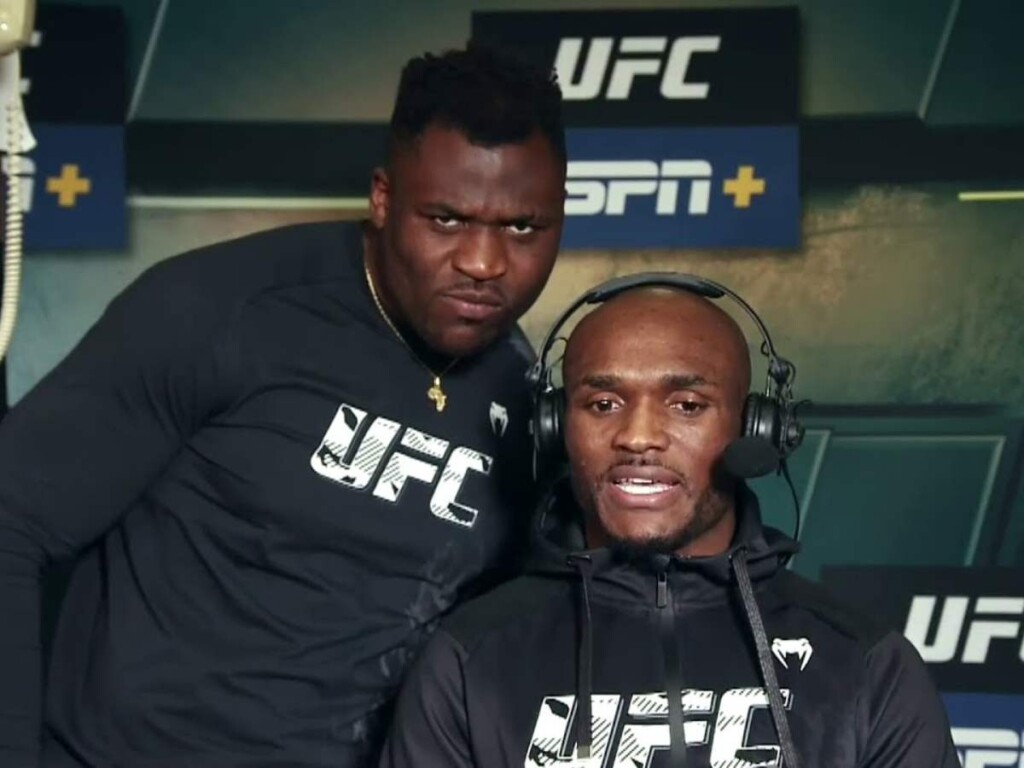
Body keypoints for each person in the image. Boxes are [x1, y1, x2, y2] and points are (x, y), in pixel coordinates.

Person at [0, 45, 566, 767]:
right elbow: (11, 519)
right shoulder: (222, 311)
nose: (484, 262)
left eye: (523, 228)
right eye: (447, 219)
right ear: (385, 199)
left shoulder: (535, 404)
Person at [380, 279, 959, 768]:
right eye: (603, 404)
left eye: (687, 405)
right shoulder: (471, 658)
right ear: (556, 427)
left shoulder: (863, 661)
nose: (637, 436)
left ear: (755, 428)